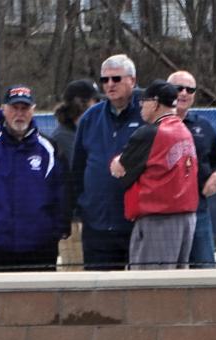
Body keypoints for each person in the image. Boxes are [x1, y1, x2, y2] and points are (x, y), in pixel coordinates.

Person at [0, 85, 70, 272]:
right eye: (14, 108)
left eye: (24, 108)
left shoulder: (50, 148)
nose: (19, 114)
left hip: (41, 247)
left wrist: (55, 231)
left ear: (33, 110)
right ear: (4, 110)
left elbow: (62, 194)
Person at [110, 80, 198, 269]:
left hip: (159, 220)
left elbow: (120, 170)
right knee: (176, 286)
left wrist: (116, 161)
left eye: (144, 100)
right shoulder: (184, 130)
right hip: (186, 219)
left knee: (149, 288)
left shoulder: (150, 133)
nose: (141, 105)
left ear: (156, 103)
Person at [72, 54, 143, 270]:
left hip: (136, 223)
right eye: (105, 80)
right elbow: (78, 167)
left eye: (116, 79)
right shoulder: (90, 118)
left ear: (132, 80)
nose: (110, 84)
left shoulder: (147, 114)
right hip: (98, 225)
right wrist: (83, 207)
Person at [167, 69, 216, 269]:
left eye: (190, 89)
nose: (184, 93)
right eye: (178, 88)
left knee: (205, 270)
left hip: (198, 211)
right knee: (165, 274)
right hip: (164, 215)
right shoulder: (154, 125)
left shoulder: (204, 126)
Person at [48, 79, 100, 270]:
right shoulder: (63, 137)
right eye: (95, 101)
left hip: (90, 218)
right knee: (77, 276)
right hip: (73, 221)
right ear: (82, 104)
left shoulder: (85, 133)